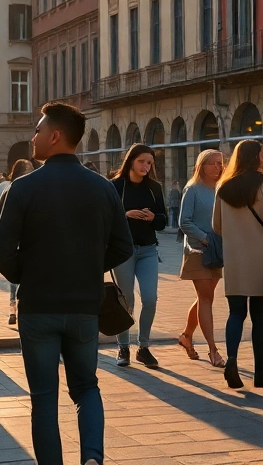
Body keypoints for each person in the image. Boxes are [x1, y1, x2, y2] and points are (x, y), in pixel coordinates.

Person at [0, 103, 133, 465]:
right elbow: (123, 246)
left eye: (38, 130)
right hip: (84, 306)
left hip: (38, 306)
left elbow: (0, 250)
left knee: (43, 397)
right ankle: (92, 458)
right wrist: (84, 268)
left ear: (55, 136)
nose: (33, 136)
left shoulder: (22, 188)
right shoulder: (102, 188)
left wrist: (30, 273)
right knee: (86, 387)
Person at [212, 139, 263, 389]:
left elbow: (216, 226)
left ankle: (231, 360)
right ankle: (260, 372)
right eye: (262, 153)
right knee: (259, 316)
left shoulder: (223, 187)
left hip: (234, 258)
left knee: (236, 313)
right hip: (262, 256)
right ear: (256, 157)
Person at [109, 143, 168, 368]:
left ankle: (143, 347)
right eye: (142, 161)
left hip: (148, 250)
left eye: (149, 163)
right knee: (127, 301)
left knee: (150, 298)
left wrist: (153, 217)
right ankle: (123, 346)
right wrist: (125, 215)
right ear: (131, 161)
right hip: (123, 251)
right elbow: (107, 219)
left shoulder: (154, 187)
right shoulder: (116, 186)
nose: (146, 166)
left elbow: (163, 222)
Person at [176, 149, 226, 368]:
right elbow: (184, 221)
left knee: (205, 298)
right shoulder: (192, 189)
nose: (218, 167)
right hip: (199, 251)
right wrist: (205, 238)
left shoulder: (221, 188)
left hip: (218, 251)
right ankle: (213, 350)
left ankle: (186, 336)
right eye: (213, 163)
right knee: (206, 299)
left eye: (220, 163)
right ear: (201, 166)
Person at [0, 158, 34, 325]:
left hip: (27, 240)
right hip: (17, 239)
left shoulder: (30, 188)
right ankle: (12, 309)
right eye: (28, 171)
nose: (31, 174)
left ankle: (14, 308)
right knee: (15, 277)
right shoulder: (11, 189)